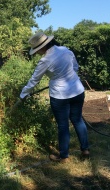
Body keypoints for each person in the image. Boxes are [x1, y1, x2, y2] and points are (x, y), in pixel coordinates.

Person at [20, 32, 89, 163]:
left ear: (41, 48)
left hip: (60, 96)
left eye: (36, 50)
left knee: (63, 125)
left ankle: (64, 157)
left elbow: (34, 81)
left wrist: (23, 94)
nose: (36, 53)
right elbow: (75, 67)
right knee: (78, 120)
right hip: (78, 91)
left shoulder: (45, 61)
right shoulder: (66, 50)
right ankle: (85, 150)